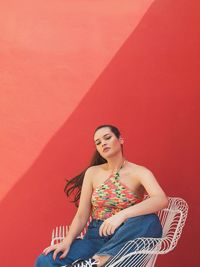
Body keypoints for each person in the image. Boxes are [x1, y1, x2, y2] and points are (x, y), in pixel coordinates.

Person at [35, 124, 168, 267]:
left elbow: (160, 199)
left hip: (124, 235)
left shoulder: (140, 172)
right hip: (95, 236)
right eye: (98, 142)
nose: (103, 143)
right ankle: (93, 262)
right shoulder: (92, 172)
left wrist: (121, 215)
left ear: (120, 140)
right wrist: (67, 241)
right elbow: (82, 215)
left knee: (150, 220)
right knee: (45, 260)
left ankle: (97, 261)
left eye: (107, 138)